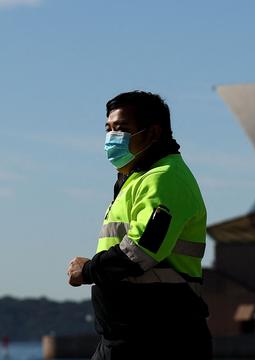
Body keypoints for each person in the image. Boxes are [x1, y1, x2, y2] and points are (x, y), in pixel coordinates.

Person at [67, 91, 212, 359]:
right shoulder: (135, 179)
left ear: (153, 133)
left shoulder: (165, 179)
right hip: (124, 337)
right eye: (108, 129)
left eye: (122, 129)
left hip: (160, 338)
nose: (112, 137)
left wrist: (87, 270)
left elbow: (141, 250)